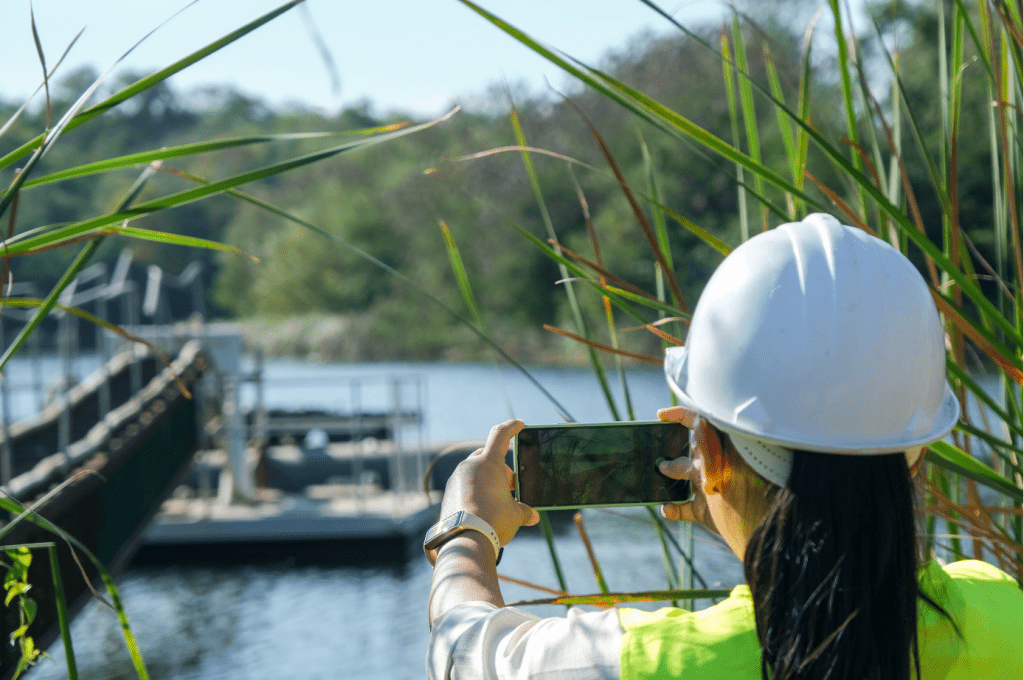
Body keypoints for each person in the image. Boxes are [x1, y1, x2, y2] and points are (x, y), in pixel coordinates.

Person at [425, 214, 1023, 680]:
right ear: (917, 451)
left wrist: (466, 530)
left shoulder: (648, 663)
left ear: (707, 450)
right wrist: (759, 530)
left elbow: (462, 652)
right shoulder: (1003, 615)